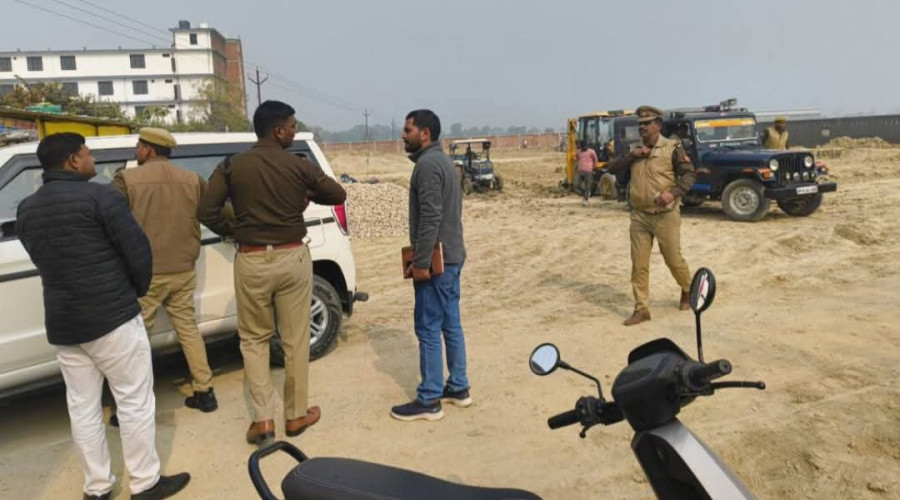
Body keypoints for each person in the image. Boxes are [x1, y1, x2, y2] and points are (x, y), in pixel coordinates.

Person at [16, 133, 190, 500]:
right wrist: (134, 292)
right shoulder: (101, 197)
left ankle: (97, 488)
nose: (92, 159)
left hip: (65, 324)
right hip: (113, 319)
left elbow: (41, 257)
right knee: (134, 400)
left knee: (82, 408)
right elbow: (138, 251)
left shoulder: (27, 208)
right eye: (87, 153)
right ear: (72, 161)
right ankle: (145, 483)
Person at [198, 100, 346, 444]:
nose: (295, 131)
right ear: (278, 131)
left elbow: (206, 211)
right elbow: (337, 194)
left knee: (253, 339)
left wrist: (235, 229)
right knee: (295, 339)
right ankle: (295, 416)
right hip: (292, 257)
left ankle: (263, 421)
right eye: (292, 127)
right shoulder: (298, 165)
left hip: (251, 259)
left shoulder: (231, 166)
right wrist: (304, 193)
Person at [111, 127, 218, 414]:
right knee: (188, 330)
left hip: (145, 273)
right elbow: (213, 211)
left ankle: (133, 405)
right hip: (183, 268)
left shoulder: (126, 180)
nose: (136, 150)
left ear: (148, 149)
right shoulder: (192, 179)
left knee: (138, 339)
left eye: (139, 145)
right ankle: (205, 391)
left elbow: (109, 220)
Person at [391, 109, 471, 422]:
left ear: (424, 134)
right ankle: (459, 387)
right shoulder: (445, 162)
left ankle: (429, 398)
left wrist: (421, 262)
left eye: (408, 130)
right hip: (452, 255)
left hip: (437, 262)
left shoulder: (426, 165)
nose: (403, 135)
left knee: (427, 327)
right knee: (450, 323)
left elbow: (431, 216)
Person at [606, 106, 696, 326]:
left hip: (665, 215)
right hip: (639, 216)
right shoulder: (634, 149)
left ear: (659, 125)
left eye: (647, 123)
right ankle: (641, 309)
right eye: (640, 124)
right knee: (639, 265)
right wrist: (632, 156)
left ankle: (687, 288)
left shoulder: (672, 147)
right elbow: (612, 168)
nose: (643, 127)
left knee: (673, 260)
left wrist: (673, 193)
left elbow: (689, 174)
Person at [575, 140, 599, 205]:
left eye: (585, 146)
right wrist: (578, 164)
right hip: (580, 171)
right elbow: (577, 158)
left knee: (587, 186)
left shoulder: (591, 152)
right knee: (576, 185)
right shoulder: (578, 152)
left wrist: (593, 167)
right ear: (581, 147)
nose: (585, 148)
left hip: (588, 171)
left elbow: (595, 160)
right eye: (583, 147)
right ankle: (586, 193)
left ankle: (585, 200)